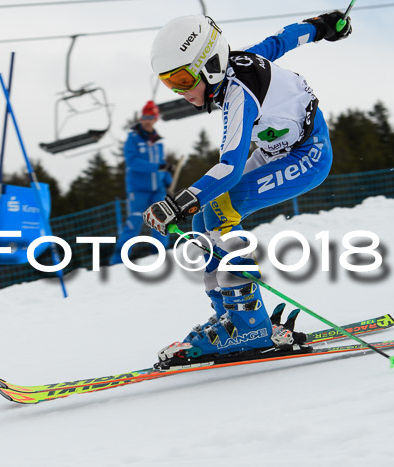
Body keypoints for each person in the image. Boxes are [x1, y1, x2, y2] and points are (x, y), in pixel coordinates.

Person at [142, 11, 352, 368]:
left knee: (222, 212)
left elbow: (230, 168)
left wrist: (177, 204)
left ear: (209, 66)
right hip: (277, 151)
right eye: (168, 83)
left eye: (181, 79)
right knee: (204, 219)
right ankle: (232, 317)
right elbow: (282, 40)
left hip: (308, 155)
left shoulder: (240, 94)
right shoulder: (235, 66)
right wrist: (322, 26)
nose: (178, 91)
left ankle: (250, 326)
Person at [110, 100, 172, 265]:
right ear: (140, 118)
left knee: (161, 221)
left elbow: (161, 163)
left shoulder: (157, 141)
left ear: (155, 119)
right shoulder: (133, 138)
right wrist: (157, 167)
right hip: (138, 189)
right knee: (134, 222)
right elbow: (133, 162)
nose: (147, 120)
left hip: (157, 188)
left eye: (150, 117)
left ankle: (161, 254)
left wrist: (166, 178)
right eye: (144, 117)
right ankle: (119, 259)